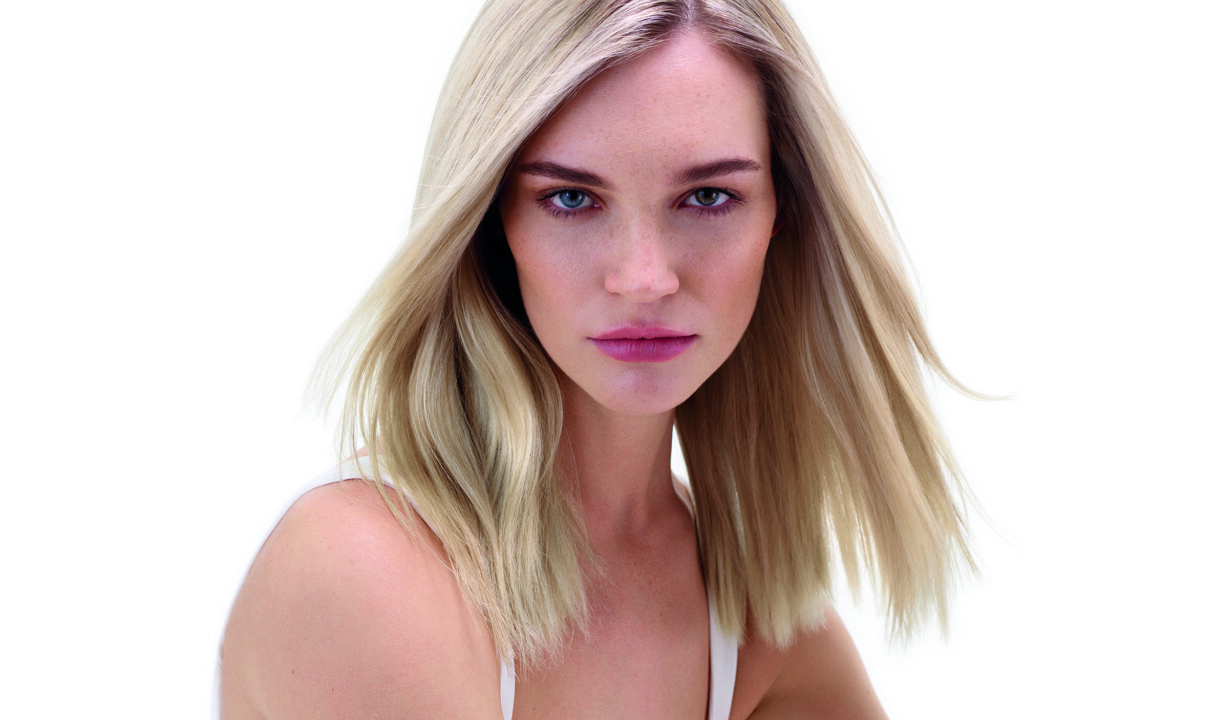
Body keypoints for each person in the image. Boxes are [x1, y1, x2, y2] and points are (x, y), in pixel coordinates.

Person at [220, 0, 973, 717]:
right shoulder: (362, 568)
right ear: (491, 221)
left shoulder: (753, 622)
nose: (645, 278)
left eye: (708, 197)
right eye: (573, 200)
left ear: (785, 213)